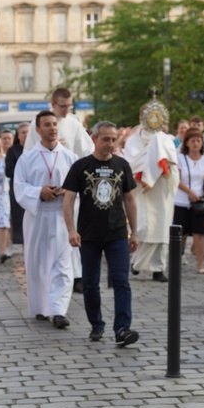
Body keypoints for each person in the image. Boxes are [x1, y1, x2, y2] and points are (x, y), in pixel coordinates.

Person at [62, 121, 141, 346]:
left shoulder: (122, 165)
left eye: (113, 139)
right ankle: (96, 324)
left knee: (121, 282)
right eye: (105, 139)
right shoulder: (81, 166)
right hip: (89, 234)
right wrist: (71, 230)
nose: (110, 143)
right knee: (90, 283)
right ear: (94, 139)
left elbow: (130, 199)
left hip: (117, 233)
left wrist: (134, 232)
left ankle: (122, 329)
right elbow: (67, 200)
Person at [24, 87, 94, 293]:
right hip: (47, 186)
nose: (66, 109)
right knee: (53, 238)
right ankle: (50, 277)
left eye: (69, 105)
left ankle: (77, 276)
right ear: (53, 104)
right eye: (62, 106)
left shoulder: (73, 123)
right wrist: (51, 146)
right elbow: (29, 155)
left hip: (70, 185)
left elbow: (86, 151)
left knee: (73, 230)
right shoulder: (37, 125)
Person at [14, 110, 78, 328]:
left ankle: (59, 310)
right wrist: (39, 192)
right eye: (47, 125)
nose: (52, 128)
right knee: (39, 263)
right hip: (38, 215)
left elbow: (79, 187)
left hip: (63, 216)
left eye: (54, 124)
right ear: (38, 129)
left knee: (63, 265)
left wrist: (67, 193)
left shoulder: (70, 157)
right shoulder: (27, 157)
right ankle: (42, 306)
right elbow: (19, 187)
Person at [123, 96, 180, 282]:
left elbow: (173, 163)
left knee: (162, 228)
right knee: (145, 228)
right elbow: (131, 163)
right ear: (143, 118)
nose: (153, 121)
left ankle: (159, 268)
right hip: (142, 188)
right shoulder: (134, 141)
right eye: (150, 117)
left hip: (162, 187)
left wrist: (164, 166)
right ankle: (137, 263)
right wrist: (148, 168)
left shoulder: (166, 140)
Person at [173, 129, 204, 274]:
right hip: (181, 200)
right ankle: (176, 261)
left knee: (199, 232)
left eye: (198, 140)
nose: (196, 144)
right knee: (181, 233)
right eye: (193, 141)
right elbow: (176, 180)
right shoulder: (180, 158)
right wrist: (189, 192)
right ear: (187, 143)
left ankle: (199, 264)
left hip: (198, 202)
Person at [5, 122, 29, 245]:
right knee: (19, 219)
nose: (26, 135)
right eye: (23, 132)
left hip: (34, 189)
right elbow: (8, 171)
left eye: (28, 132)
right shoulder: (13, 151)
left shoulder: (36, 149)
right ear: (18, 136)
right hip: (18, 189)